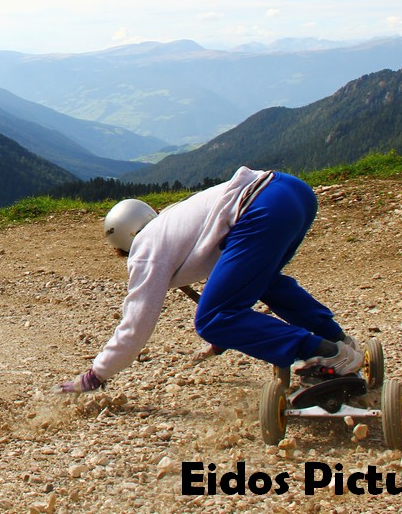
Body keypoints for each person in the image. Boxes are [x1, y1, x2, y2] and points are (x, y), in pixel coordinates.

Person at [58, 166, 362, 393]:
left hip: (262, 206)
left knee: (213, 319)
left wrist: (95, 375)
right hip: (291, 191)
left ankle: (326, 354)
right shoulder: (172, 224)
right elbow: (234, 283)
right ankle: (338, 341)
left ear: (123, 243)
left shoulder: (145, 249)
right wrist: (223, 341)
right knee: (265, 281)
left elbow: (137, 324)